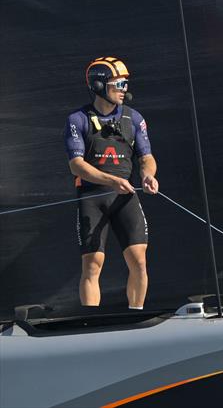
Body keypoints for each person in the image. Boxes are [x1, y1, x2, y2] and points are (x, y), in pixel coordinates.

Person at [64, 57, 158, 309]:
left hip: (124, 196)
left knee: (139, 260)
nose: (123, 89)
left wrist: (148, 174)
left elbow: (146, 157)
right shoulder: (78, 119)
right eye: (117, 84)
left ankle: (135, 313)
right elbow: (77, 165)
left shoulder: (134, 118)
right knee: (92, 264)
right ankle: (91, 321)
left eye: (125, 83)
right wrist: (111, 180)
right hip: (92, 197)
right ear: (98, 85)